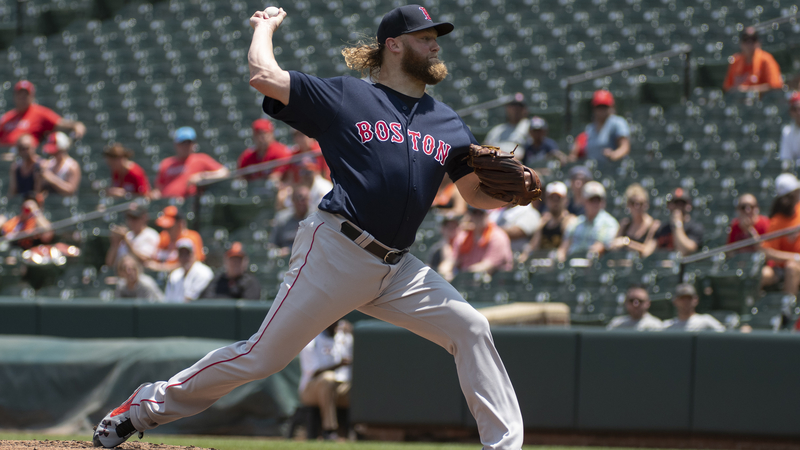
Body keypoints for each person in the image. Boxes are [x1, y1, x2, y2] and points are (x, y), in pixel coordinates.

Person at [92, 6, 525, 449]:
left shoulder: (447, 121)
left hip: (398, 269)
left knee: (470, 327)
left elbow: (474, 194)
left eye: (437, 37)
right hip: (338, 250)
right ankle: (145, 406)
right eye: (424, 36)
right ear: (392, 44)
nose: (435, 44)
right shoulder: (346, 97)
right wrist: (264, 28)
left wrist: (515, 193)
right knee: (261, 357)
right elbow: (263, 76)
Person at [298, 321, 353, 440]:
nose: (338, 325)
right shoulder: (312, 340)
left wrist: (354, 331)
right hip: (311, 389)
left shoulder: (345, 337)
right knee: (328, 379)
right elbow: (313, 372)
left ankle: (360, 430)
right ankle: (329, 430)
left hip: (340, 387)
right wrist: (339, 364)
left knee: (358, 386)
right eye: (334, 321)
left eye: (339, 321)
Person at [0, 80, 86, 149]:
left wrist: (77, 126)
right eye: (20, 94)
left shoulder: (40, 113)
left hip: (26, 160)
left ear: (32, 96)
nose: (22, 98)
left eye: (26, 95)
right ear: (14, 97)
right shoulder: (7, 117)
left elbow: (63, 124)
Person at [152, 127, 230, 198]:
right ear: (176, 144)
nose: (185, 146)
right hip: (167, 205)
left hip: (190, 204)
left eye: (188, 143)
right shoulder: (166, 163)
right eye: (182, 143)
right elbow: (159, 187)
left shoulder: (201, 159)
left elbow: (224, 172)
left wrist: (202, 176)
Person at [441, 206, 513, 281]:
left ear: (487, 215)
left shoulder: (497, 237)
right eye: (474, 213)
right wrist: (443, 271)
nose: (477, 216)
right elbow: (451, 260)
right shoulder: (463, 237)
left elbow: (487, 267)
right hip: (468, 282)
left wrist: (460, 276)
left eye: (480, 213)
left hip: (495, 284)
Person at [557, 181, 619, 261]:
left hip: (594, 265)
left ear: (603, 202)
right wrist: (560, 257)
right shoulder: (575, 223)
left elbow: (600, 247)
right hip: (571, 263)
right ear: (584, 201)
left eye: (598, 200)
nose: (595, 203)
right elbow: (564, 247)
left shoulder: (609, 223)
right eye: (591, 200)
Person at [761, 173, 800, 295]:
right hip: (782, 268)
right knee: (762, 274)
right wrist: (794, 258)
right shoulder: (776, 221)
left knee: (791, 267)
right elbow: (768, 252)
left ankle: (787, 311)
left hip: (793, 266)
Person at [520, 181, 575, 261]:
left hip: (557, 264)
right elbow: (532, 246)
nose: (555, 202)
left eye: (558, 198)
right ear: (547, 200)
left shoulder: (570, 221)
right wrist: (524, 257)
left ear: (566, 200)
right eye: (552, 198)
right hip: (541, 263)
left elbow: (564, 249)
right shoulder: (543, 222)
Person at [723, 27, 783, 94]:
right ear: (741, 44)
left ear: (758, 43)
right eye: (746, 40)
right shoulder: (735, 60)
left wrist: (748, 90)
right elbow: (727, 87)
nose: (749, 44)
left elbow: (775, 86)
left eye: (753, 39)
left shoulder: (766, 60)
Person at [147, 206, 205, 272]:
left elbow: (193, 263)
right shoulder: (163, 236)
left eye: (169, 227)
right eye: (164, 227)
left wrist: (163, 268)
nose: (166, 230)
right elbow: (153, 260)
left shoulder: (192, 237)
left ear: (180, 224)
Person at [609, 183, 660, 257]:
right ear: (627, 204)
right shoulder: (624, 225)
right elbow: (613, 246)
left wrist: (627, 243)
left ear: (646, 204)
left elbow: (647, 251)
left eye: (641, 203)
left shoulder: (653, 225)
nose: (637, 207)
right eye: (633, 203)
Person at [582, 90, 630, 163]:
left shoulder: (617, 122)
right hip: (594, 168)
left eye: (605, 107)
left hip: (613, 168)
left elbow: (625, 147)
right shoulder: (590, 128)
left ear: (612, 107)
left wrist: (614, 155)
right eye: (599, 107)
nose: (601, 110)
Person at [654, 188, 703, 256]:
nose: (678, 207)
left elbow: (684, 250)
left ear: (688, 206)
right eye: (675, 203)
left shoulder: (695, 227)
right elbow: (648, 252)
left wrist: (678, 224)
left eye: (682, 204)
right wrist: (651, 232)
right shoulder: (663, 228)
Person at [163, 238, 214, 303]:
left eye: (187, 254)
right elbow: (167, 301)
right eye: (181, 254)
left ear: (194, 255)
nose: (184, 258)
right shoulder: (174, 275)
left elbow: (189, 301)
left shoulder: (203, 272)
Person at [270, 185, 313, 254]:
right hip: (286, 260)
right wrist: (279, 252)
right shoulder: (282, 220)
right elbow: (273, 245)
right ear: (293, 200)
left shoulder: (315, 220)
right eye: (298, 199)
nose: (301, 203)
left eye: (304, 199)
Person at [41, 131, 81, 196]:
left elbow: (71, 191)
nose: (53, 154)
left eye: (56, 151)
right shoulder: (48, 164)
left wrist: (51, 178)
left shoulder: (72, 166)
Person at [7, 134, 42, 199]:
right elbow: (12, 192)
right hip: (21, 204)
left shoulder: (41, 165)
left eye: (27, 148)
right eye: (21, 148)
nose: (24, 151)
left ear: (33, 147)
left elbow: (39, 193)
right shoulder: (15, 168)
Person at [779, 92, 800, 164]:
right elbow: (786, 159)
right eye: (795, 109)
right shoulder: (787, 131)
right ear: (790, 112)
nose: (798, 112)